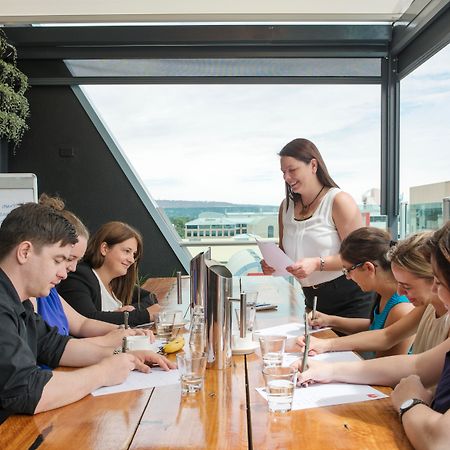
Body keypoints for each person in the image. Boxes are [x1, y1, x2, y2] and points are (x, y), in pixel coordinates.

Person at [0, 203, 175, 424]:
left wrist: (124, 357)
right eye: (58, 260)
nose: (65, 273)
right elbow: (26, 391)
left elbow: (54, 346)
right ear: (24, 252)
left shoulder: (19, 302)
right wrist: (102, 373)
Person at [293, 221, 450, 449]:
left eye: (439, 282)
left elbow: (439, 441)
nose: (436, 290)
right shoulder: (425, 308)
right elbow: (417, 364)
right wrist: (328, 370)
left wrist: (409, 401)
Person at [262, 138, 373, 318]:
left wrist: (316, 264)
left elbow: (360, 256)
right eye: (283, 172)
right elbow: (285, 252)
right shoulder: (286, 207)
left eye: (292, 170)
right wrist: (273, 264)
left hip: (350, 300)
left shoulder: (339, 201)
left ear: (313, 165)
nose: (286, 177)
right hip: (312, 300)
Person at [295, 232, 449, 357]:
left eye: (406, 286)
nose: (400, 291)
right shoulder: (426, 306)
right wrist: (327, 339)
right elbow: (385, 335)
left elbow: (409, 363)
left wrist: (328, 349)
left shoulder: (404, 306)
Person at [34, 195, 153, 349]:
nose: (69, 270)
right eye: (62, 259)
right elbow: (54, 349)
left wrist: (125, 331)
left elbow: (82, 324)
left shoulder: (50, 293)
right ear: (26, 252)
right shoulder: (79, 277)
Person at [307, 227, 414, 357]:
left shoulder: (401, 308)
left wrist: (327, 345)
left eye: (348, 270)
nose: (347, 277)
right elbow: (375, 326)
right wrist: (329, 320)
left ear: (368, 267)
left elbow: (383, 368)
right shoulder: (385, 293)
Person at [58, 221, 160, 326]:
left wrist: (127, 313)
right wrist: (141, 315)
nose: (131, 260)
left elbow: (150, 298)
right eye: (126, 251)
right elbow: (87, 319)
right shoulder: (79, 276)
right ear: (104, 249)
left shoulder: (116, 281)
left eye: (133, 254)